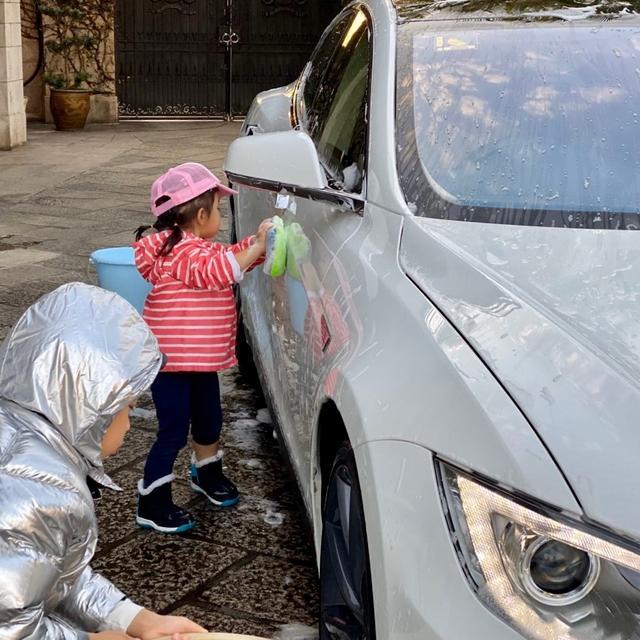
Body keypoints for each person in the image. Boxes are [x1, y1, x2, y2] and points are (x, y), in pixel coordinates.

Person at [0, 282, 208, 639]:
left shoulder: (22, 438)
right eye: (128, 408)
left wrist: (133, 618)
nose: (129, 424)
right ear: (90, 406)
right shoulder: (45, 498)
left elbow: (50, 572)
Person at [133, 162, 271, 533]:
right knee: (173, 431)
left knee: (209, 422)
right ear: (200, 214)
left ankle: (206, 473)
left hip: (201, 362)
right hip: (172, 368)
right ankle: (152, 499)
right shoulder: (179, 253)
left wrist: (259, 248)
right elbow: (220, 269)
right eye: (218, 209)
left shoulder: (196, 249)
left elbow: (224, 261)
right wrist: (255, 246)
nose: (221, 218)